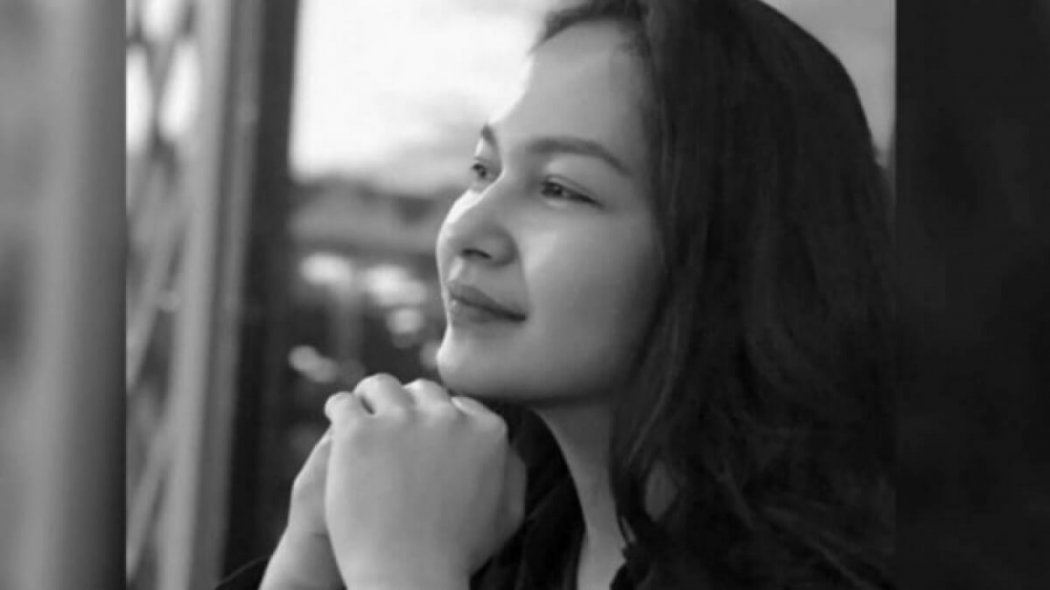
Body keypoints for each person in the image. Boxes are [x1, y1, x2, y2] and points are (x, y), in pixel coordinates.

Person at [219, 0, 893, 588]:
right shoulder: (485, 529)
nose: (468, 231)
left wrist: (407, 571)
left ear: (728, 252)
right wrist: (306, 566)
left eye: (560, 188)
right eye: (482, 170)